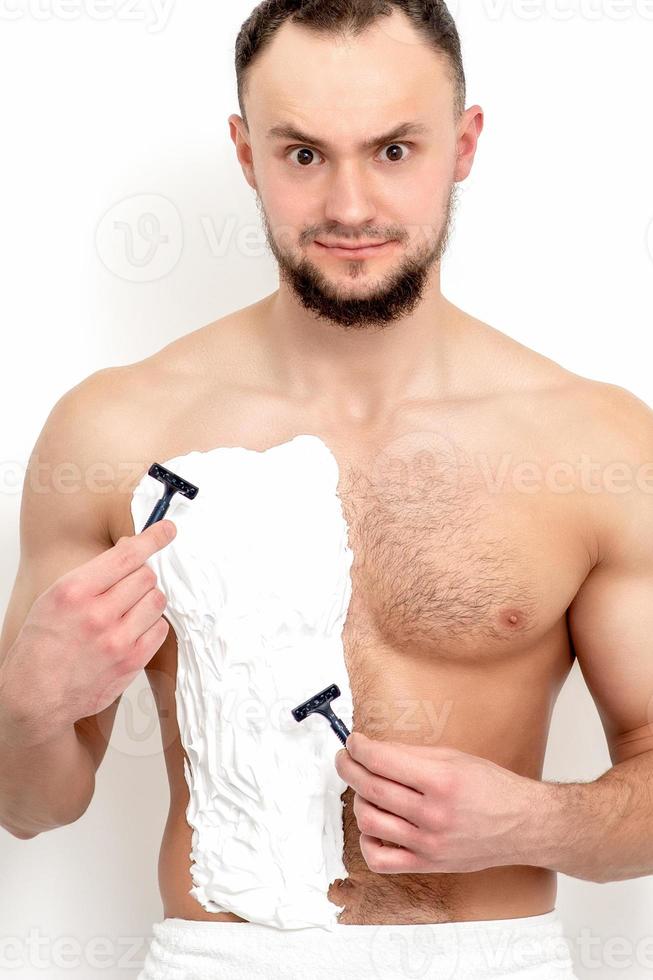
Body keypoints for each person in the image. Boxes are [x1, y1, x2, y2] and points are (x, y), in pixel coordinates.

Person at [2, 2, 652, 978]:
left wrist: (536, 820)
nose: (349, 206)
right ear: (245, 152)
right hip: (216, 961)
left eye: (393, 150)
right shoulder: (115, 431)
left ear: (463, 144)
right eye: (303, 155)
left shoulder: (591, 441)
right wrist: (23, 704)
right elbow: (29, 806)